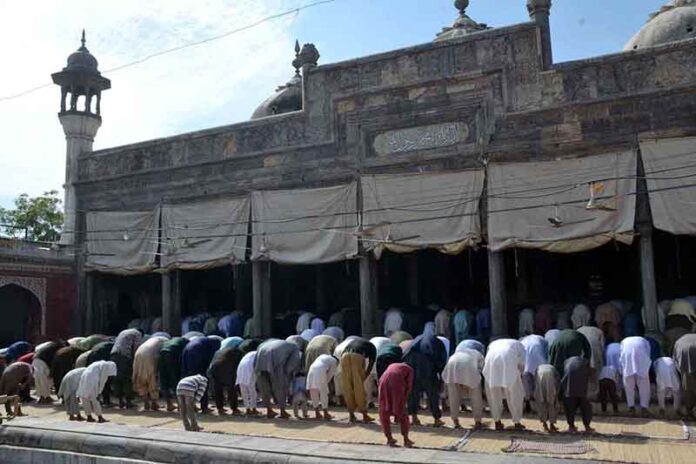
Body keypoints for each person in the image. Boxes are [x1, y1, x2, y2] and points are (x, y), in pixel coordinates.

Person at [403, 334, 446, 427]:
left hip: (413, 370)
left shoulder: (414, 343)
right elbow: (441, 359)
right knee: (432, 395)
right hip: (428, 371)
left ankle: (414, 417)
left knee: (413, 394)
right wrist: (441, 374)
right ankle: (437, 419)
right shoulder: (435, 342)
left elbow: (405, 356)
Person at [483, 338, 526, 431]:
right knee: (515, 394)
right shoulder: (520, 345)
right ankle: (517, 422)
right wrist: (519, 376)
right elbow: (522, 364)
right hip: (508, 361)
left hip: (491, 363)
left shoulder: (493, 343)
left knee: (493, 395)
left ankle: (497, 421)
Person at [255, 339, 302, 419]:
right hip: (275, 357)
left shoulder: (273, 341)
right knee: (280, 386)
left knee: (264, 385)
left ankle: (269, 410)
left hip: (261, 355)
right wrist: (287, 375)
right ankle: (282, 411)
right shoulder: (295, 347)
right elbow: (292, 364)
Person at [442, 348, 484, 429]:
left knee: (453, 396)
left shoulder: (457, 352)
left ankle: (455, 421)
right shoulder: (478, 354)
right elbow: (480, 369)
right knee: (476, 396)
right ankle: (478, 421)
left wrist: (462, 382)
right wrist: (468, 382)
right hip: (468, 368)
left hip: (452, 366)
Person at [378, 363, 414, 448]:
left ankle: (389, 438)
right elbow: (409, 386)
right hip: (397, 382)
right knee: (401, 411)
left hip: (383, 382)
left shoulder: (392, 365)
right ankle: (406, 439)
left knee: (384, 410)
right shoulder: (410, 369)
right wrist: (404, 400)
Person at [340, 337, 376, 423]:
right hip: (357, 356)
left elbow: (343, 352)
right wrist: (364, 377)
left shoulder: (355, 342)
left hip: (344, 357)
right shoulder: (372, 347)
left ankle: (351, 415)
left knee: (347, 387)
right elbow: (371, 364)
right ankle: (364, 415)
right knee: (358, 388)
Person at [181, 336, 220, 413]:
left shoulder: (204, 341)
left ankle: (190, 406)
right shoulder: (214, 344)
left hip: (186, 351)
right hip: (196, 354)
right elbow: (209, 360)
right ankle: (204, 407)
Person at [132, 335, 168, 411]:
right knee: (151, 378)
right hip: (149, 355)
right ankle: (154, 403)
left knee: (140, 377)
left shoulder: (151, 340)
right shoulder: (165, 341)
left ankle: (146, 402)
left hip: (138, 354)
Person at [110, 328, 143, 408]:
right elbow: (136, 348)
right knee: (127, 378)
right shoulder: (137, 334)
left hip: (113, 355)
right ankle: (128, 402)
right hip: (124, 356)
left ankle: (121, 401)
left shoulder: (123, 332)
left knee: (117, 378)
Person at [560, 356, 594, 433]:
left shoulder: (566, 362)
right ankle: (587, 427)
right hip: (581, 389)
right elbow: (590, 372)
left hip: (569, 389)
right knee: (586, 408)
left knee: (570, 409)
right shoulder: (584, 362)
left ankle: (571, 426)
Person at [620, 336, 652, 416]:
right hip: (641, 362)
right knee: (644, 387)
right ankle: (644, 409)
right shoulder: (644, 341)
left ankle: (631, 408)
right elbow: (648, 353)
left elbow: (621, 354)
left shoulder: (624, 341)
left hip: (628, 362)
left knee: (629, 387)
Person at [207, 346, 244, 415]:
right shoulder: (237, 351)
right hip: (225, 366)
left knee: (218, 388)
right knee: (231, 388)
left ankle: (220, 408)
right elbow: (237, 364)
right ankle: (234, 409)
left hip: (214, 367)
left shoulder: (220, 350)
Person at [158, 337, 188, 411]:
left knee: (163, 379)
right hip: (172, 355)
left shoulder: (169, 341)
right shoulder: (185, 342)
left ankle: (169, 404)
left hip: (162, 354)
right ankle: (180, 405)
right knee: (175, 379)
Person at [520, 334, 548, 412]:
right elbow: (546, 352)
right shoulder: (542, 339)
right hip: (539, 359)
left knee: (526, 382)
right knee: (538, 382)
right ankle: (537, 405)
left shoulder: (522, 340)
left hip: (526, 362)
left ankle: (528, 403)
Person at [307, 354, 338, 420]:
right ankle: (325, 413)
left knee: (313, 391)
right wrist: (326, 383)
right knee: (323, 393)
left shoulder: (323, 356)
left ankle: (317, 413)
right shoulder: (335, 361)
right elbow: (330, 374)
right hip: (320, 370)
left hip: (311, 369)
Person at [673, 333, 696, 418]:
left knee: (687, 388)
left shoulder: (681, 339)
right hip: (686, 354)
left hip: (685, 358)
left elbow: (675, 359)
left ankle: (689, 412)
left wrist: (681, 370)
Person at [534, 364, 559, 432]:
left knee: (541, 403)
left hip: (540, 378)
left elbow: (535, 379)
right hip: (550, 378)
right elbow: (557, 380)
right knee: (552, 403)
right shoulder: (553, 368)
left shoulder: (538, 367)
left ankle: (545, 425)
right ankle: (552, 425)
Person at [236, 350, 259, 416]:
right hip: (250, 367)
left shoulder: (249, 353)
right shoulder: (258, 354)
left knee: (243, 390)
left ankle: (247, 409)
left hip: (241, 368)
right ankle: (254, 409)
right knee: (252, 390)